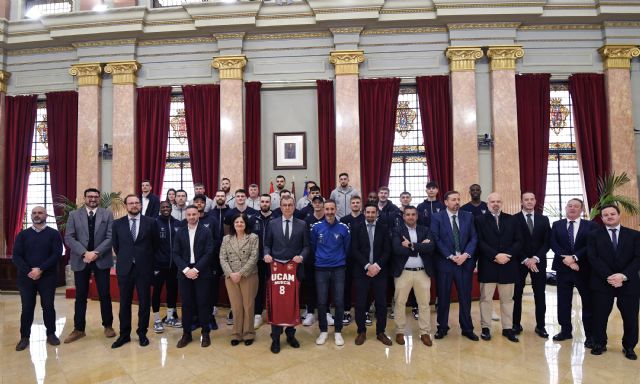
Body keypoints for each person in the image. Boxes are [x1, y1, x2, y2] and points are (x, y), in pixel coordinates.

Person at [588, 204, 640, 359]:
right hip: (602, 282)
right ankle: (599, 343)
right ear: (602, 218)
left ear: (619, 215)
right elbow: (593, 258)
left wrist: (623, 276)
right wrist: (610, 277)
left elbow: (638, 258)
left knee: (630, 317)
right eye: (605, 215)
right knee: (600, 315)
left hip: (628, 283)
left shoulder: (635, 235)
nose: (609, 217)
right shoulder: (593, 235)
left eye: (612, 214)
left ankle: (629, 346)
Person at [64, 188, 115, 343]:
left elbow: (111, 237)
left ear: (99, 198)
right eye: (90, 196)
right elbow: (69, 237)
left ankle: (108, 326)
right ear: (84, 198)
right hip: (81, 260)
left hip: (101, 259)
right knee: (80, 296)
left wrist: (96, 253)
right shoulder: (74, 215)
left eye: (95, 196)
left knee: (104, 294)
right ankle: (79, 329)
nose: (93, 199)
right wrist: (85, 253)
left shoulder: (107, 214)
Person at [110, 195, 159, 348]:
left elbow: (155, 245)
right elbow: (116, 246)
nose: (134, 205)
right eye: (131, 203)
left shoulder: (151, 222)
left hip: (144, 269)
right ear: (126, 206)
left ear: (141, 205)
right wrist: (128, 258)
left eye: (137, 203)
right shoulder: (117, 224)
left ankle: (142, 333)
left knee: (144, 303)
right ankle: (124, 335)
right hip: (125, 269)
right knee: (124, 303)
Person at [430, 191, 479, 341]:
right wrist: (451, 256)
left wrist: (465, 255)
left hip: (464, 263)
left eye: (458, 199)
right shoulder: (437, 217)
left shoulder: (468, 216)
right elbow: (436, 239)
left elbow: (474, 237)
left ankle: (467, 328)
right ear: (446, 202)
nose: (456, 202)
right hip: (445, 263)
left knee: (465, 297)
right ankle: (442, 327)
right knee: (443, 297)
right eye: (453, 200)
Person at [13, 206, 64, 351]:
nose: (37, 215)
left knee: (48, 306)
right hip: (26, 277)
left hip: (47, 276)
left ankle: (51, 334)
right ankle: (24, 337)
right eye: (34, 213)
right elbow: (16, 256)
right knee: (27, 307)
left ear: (46, 216)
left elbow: (56, 254)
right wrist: (30, 271)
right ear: (31, 216)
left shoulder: (54, 234)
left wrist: (40, 269)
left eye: (40, 213)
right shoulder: (22, 235)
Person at [264, 195, 309, 353]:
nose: (287, 207)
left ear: (294, 206)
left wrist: (301, 256)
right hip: (276, 270)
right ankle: (275, 337)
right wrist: (266, 254)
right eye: (285, 205)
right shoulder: (272, 223)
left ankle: (291, 335)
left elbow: (306, 247)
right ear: (280, 207)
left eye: (290, 205)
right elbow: (267, 245)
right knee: (277, 304)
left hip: (294, 271)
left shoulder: (302, 224)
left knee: (292, 303)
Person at [475, 192, 522, 343]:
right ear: (487, 204)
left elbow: (519, 241)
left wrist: (506, 255)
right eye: (492, 201)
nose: (495, 204)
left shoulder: (512, 220)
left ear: (502, 203)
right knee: (485, 299)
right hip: (488, 264)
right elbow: (479, 242)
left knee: (507, 300)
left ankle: (508, 328)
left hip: (508, 265)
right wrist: (495, 255)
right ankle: (486, 328)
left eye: (498, 201)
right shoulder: (479, 220)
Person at [550, 198, 597, 347]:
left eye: (576, 206)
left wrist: (575, 258)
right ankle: (565, 331)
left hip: (583, 269)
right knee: (563, 302)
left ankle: (590, 335)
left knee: (588, 302)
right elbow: (553, 243)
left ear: (581, 210)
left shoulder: (591, 226)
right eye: (569, 206)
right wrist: (568, 260)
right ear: (565, 208)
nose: (572, 208)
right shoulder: (557, 225)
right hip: (563, 269)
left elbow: (590, 245)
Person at [392, 206, 435, 347]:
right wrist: (418, 247)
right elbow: (397, 250)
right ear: (403, 216)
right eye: (408, 214)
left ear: (417, 216)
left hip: (422, 272)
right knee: (400, 303)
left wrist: (410, 245)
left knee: (424, 304)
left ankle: (424, 332)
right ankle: (399, 331)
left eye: (413, 215)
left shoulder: (425, 230)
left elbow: (430, 248)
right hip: (403, 272)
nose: (410, 217)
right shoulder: (397, 230)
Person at [173, 205, 215, 348]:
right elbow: (175, 253)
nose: (191, 217)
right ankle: (186, 334)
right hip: (184, 273)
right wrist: (186, 270)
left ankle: (205, 333)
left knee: (203, 304)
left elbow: (209, 253)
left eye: (194, 214)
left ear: (198, 215)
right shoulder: (180, 232)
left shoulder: (206, 231)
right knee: (186, 305)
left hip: (202, 272)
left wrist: (196, 269)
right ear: (186, 216)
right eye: (189, 214)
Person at [310, 199, 351, 346]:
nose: (329, 212)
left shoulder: (343, 228)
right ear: (323, 210)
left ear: (336, 209)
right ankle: (323, 331)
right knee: (321, 302)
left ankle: (338, 332)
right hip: (321, 268)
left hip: (339, 268)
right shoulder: (316, 227)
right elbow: (313, 247)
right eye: (327, 209)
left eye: (332, 209)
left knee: (339, 301)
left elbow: (347, 249)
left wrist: (337, 260)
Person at [351, 203, 392, 346]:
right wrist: (368, 266)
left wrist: (377, 266)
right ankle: (361, 331)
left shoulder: (384, 228)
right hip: (362, 272)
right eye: (367, 212)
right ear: (364, 213)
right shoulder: (356, 228)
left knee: (381, 304)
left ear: (377, 214)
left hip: (380, 272)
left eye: (372, 212)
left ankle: (381, 332)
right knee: (360, 303)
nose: (370, 215)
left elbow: (387, 250)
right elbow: (354, 249)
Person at [512, 192, 551, 338]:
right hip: (519, 263)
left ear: (535, 201)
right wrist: (525, 259)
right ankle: (516, 325)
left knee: (540, 295)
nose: (529, 201)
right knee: (517, 295)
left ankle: (541, 326)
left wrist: (535, 258)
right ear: (521, 202)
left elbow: (547, 242)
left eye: (532, 199)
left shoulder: (544, 219)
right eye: (526, 199)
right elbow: (513, 242)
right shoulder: (513, 219)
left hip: (538, 262)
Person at [220, 213, 260, 346]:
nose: (239, 224)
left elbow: (254, 257)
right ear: (233, 224)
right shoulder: (226, 239)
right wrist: (231, 273)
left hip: (248, 276)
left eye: (242, 222)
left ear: (246, 224)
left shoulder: (253, 237)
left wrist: (241, 273)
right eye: (236, 222)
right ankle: (236, 333)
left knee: (248, 305)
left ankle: (249, 333)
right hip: (231, 277)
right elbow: (222, 257)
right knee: (236, 306)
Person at [152, 200, 182, 334]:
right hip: (158, 265)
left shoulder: (177, 223)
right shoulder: (155, 223)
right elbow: (150, 244)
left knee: (172, 291)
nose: (165, 209)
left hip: (173, 266)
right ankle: (157, 319)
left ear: (171, 208)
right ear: (160, 209)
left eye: (167, 207)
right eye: (163, 207)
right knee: (157, 292)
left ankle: (170, 317)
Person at [339, 195, 365, 326]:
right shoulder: (344, 220)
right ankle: (346, 311)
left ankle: (364, 311)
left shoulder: (365, 218)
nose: (355, 204)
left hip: (362, 259)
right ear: (350, 205)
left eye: (357, 202)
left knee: (363, 287)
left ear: (361, 204)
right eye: (353, 202)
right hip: (347, 259)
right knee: (346, 286)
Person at [251, 194, 276, 328]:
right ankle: (258, 315)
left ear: (270, 203)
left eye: (267, 201)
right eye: (263, 201)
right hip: (257, 260)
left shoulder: (276, 218)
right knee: (258, 288)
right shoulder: (253, 218)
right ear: (259, 203)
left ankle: (273, 313)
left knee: (273, 287)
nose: (265, 203)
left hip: (273, 259)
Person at [301, 195, 325, 326]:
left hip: (325, 259)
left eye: (319, 202)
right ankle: (310, 312)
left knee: (325, 286)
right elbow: (304, 241)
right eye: (315, 202)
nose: (317, 204)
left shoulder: (328, 218)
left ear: (323, 204)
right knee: (310, 286)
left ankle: (325, 313)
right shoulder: (307, 220)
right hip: (310, 259)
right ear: (312, 204)